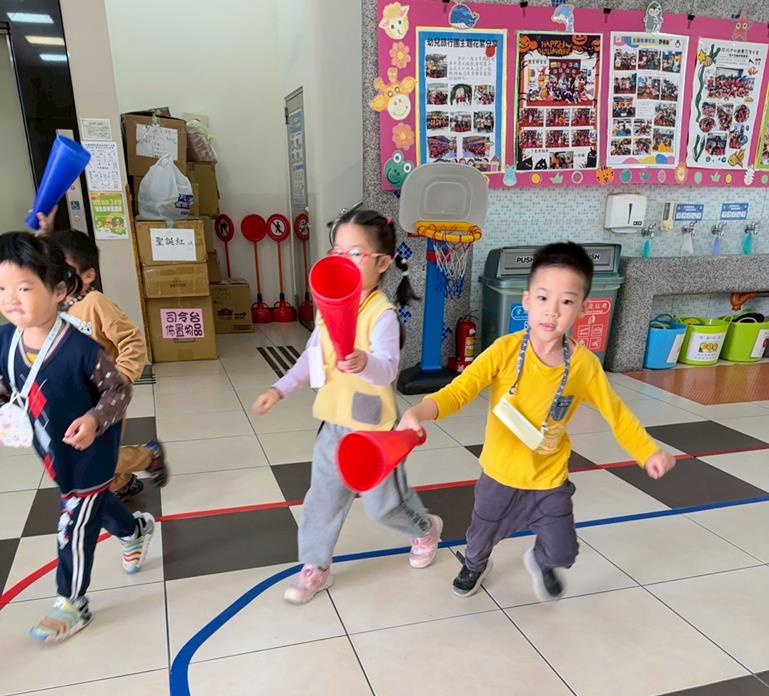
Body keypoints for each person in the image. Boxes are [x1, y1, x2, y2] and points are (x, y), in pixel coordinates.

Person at [399, 241, 676, 602]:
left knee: (564, 551)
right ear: (527, 301)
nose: (552, 311)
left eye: (566, 301)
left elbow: (617, 414)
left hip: (549, 477)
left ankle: (542, 560)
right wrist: (420, 412)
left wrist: (647, 451)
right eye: (543, 298)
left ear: (582, 308)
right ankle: (476, 564)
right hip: (500, 473)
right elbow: (460, 391)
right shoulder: (504, 351)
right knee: (481, 536)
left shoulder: (584, 366)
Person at [252, 209, 442, 605]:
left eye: (355, 253)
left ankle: (424, 528)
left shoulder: (381, 314)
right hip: (334, 425)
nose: (343, 260)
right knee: (322, 500)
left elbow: (387, 369)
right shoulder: (327, 307)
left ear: (382, 263)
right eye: (337, 251)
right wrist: (280, 389)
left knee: (384, 506)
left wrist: (363, 361)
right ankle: (315, 566)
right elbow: (311, 359)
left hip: (375, 432)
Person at [0, 232, 155, 642]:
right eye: (1, 289)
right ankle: (133, 531)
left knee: (74, 520)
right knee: (92, 503)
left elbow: (117, 392)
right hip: (52, 447)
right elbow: (7, 384)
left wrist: (93, 419)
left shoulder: (81, 349)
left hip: (92, 447)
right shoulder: (5, 341)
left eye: (23, 288)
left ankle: (71, 602)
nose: (10, 299)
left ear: (59, 291)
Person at [44, 227, 168, 499]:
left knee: (97, 458)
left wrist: (120, 379)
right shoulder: (51, 308)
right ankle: (123, 482)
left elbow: (132, 340)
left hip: (105, 399)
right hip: (72, 399)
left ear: (88, 276)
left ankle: (148, 456)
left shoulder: (95, 303)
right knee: (82, 452)